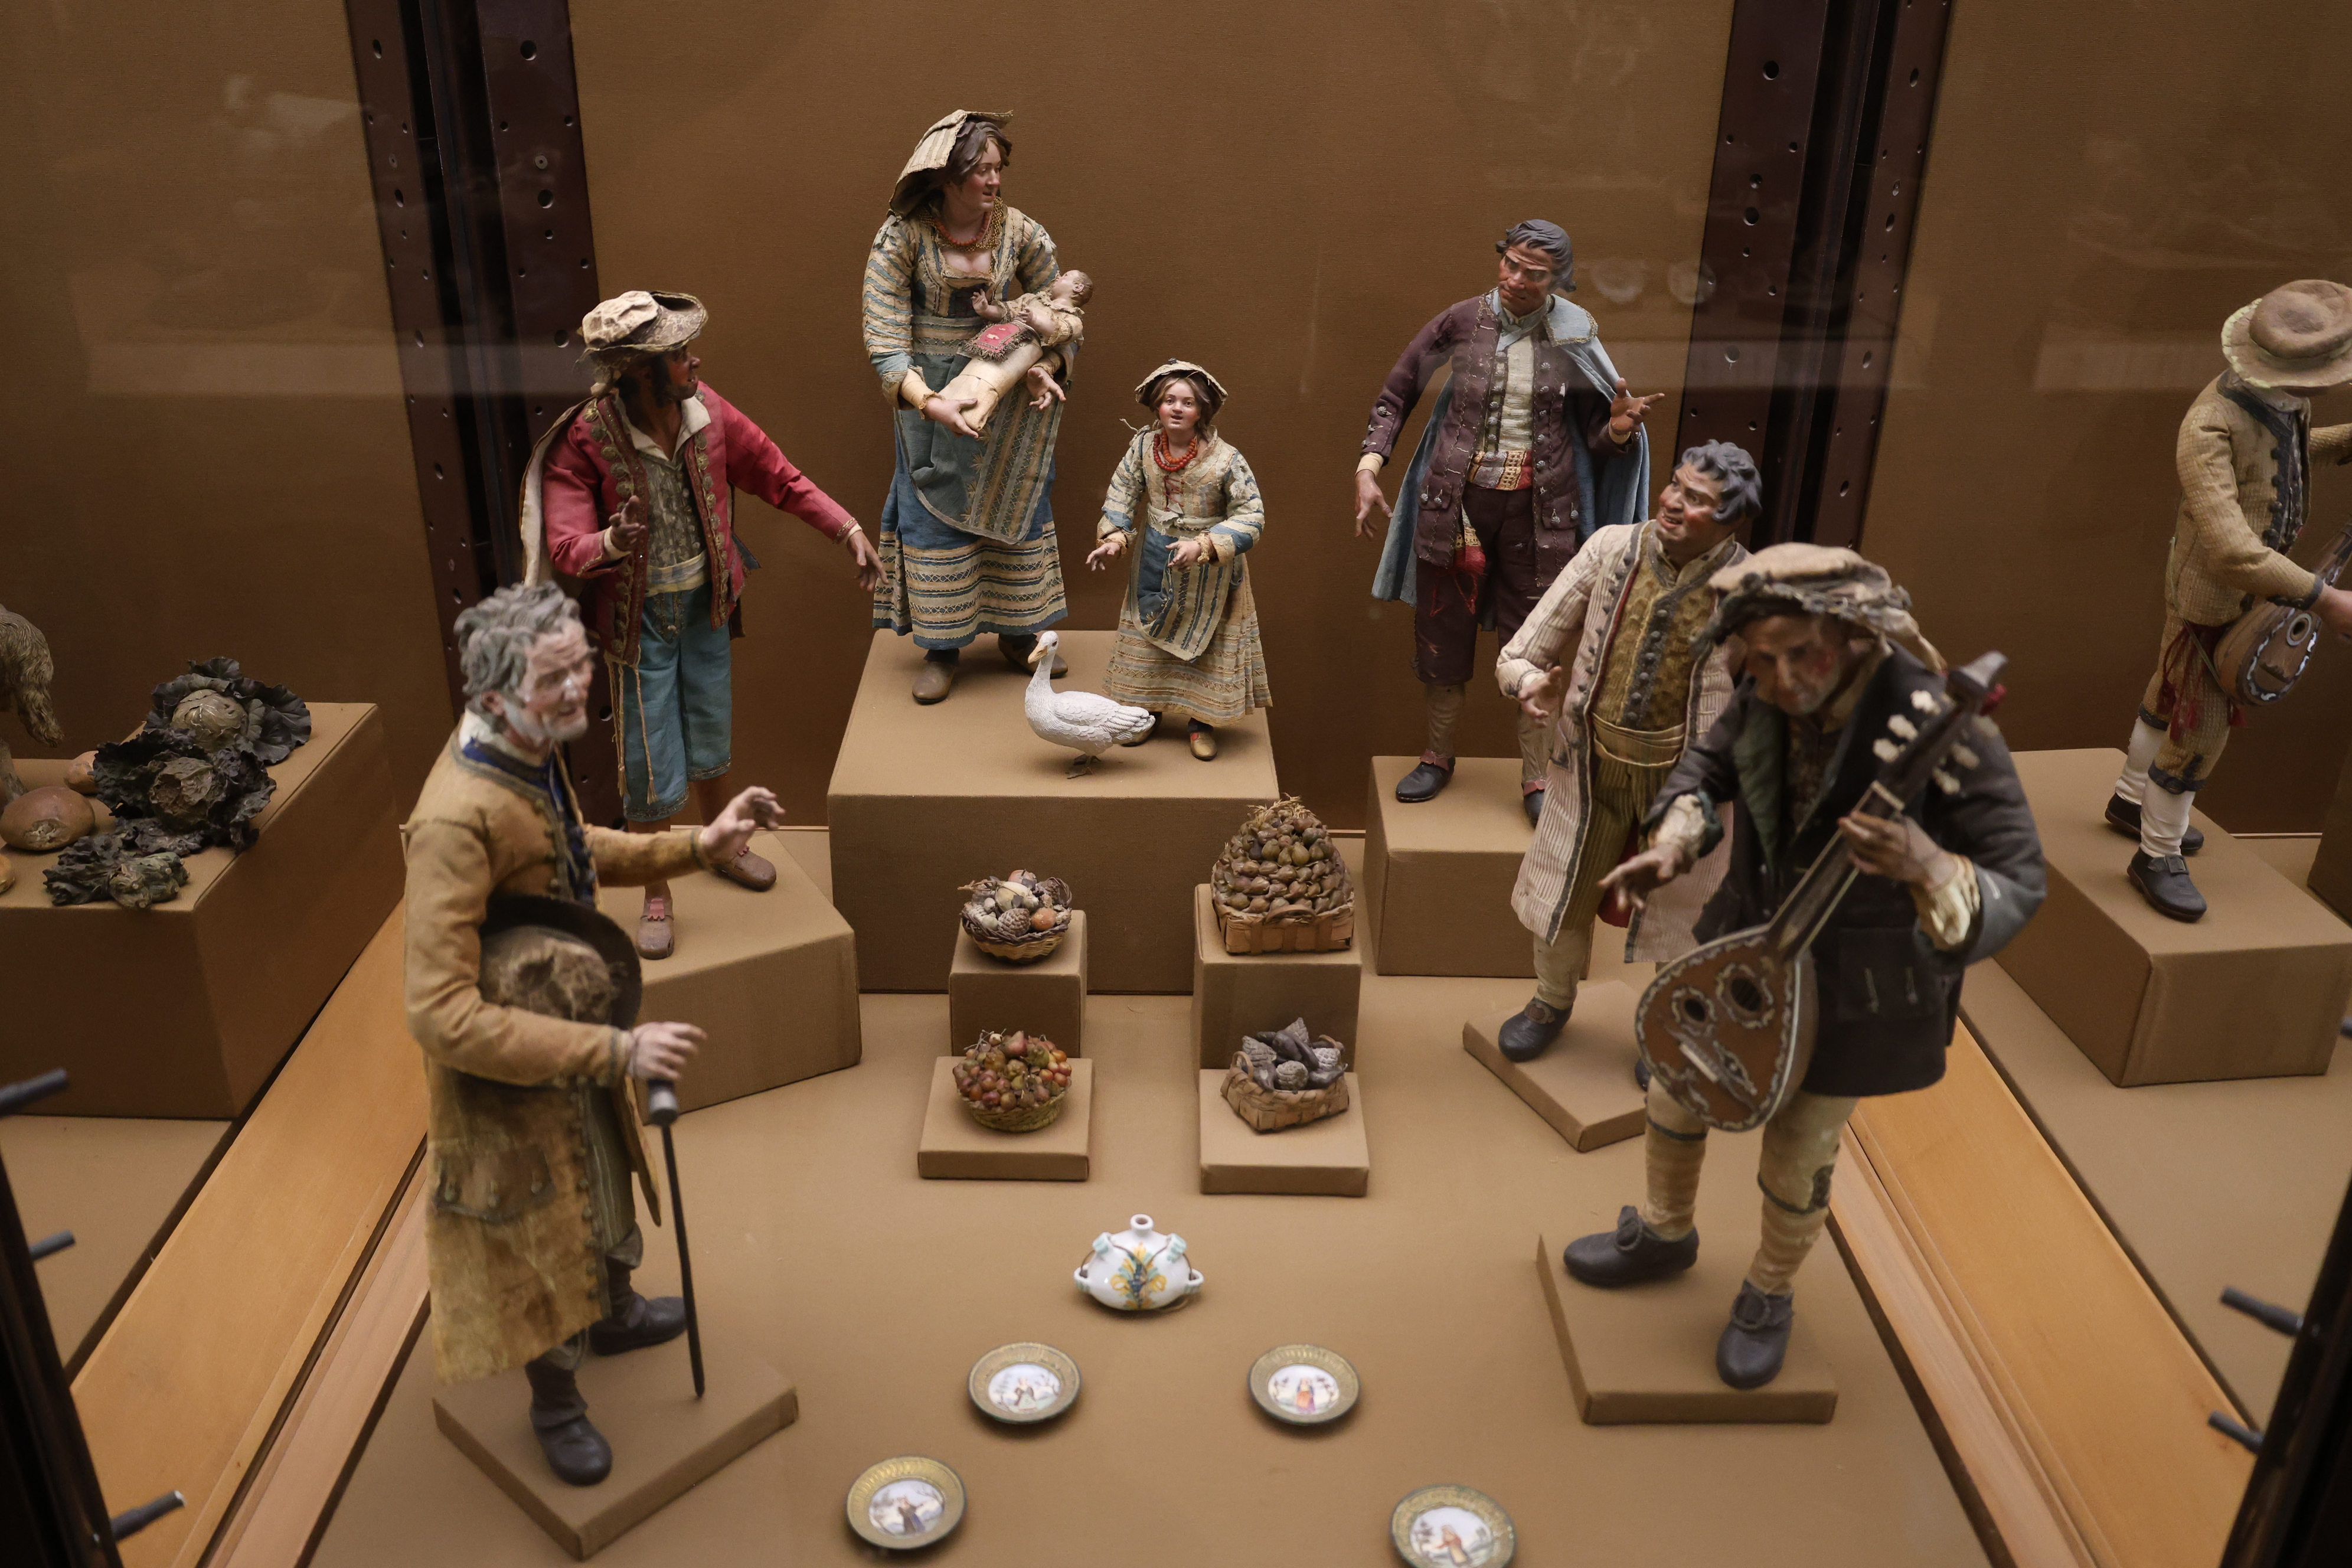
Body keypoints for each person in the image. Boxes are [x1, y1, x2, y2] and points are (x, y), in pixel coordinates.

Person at [1564, 546, 2044, 1390]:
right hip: (1746, 940)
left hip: (1859, 984)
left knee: (1798, 1148)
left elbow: (2022, 877)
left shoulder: (1945, 723)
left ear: (1852, 635)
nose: (1782, 679)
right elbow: (1707, 764)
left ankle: (1769, 1292)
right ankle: (1666, 1232)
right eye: (1762, 658)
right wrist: (1673, 843)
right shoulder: (1765, 690)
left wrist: (1930, 864)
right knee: (1675, 1085)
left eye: (1802, 655)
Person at [402, 582, 788, 1484]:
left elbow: (574, 845)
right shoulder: (455, 820)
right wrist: (616, 1050)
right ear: (494, 696)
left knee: (603, 1184)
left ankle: (615, 1311)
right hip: (509, 1075)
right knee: (538, 1233)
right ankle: (557, 1403)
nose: (580, 687)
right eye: (556, 677)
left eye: (581, 665)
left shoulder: (526, 748)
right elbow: (438, 1013)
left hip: (565, 1029)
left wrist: (696, 847)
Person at [523, 288, 880, 960]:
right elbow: (567, 547)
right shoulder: (587, 438)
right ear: (640, 372)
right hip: (638, 623)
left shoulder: (707, 411)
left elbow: (777, 474)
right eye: (680, 354)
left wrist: (847, 529)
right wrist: (614, 541)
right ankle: (655, 888)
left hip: (706, 607)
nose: (695, 362)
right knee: (648, 758)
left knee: (712, 729)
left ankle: (722, 844)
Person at [1356, 218, 1659, 822]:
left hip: (1541, 515)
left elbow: (1597, 436)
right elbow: (1397, 393)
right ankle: (1438, 754)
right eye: (1511, 264)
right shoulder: (1460, 321)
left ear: (1558, 280)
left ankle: (1536, 775)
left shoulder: (1574, 334)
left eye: (1535, 273)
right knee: (1442, 634)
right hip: (1455, 508)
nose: (1517, 279)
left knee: (1538, 640)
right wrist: (1369, 466)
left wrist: (1620, 429)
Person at [1489, 442, 1757, 1064]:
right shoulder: (1609, 549)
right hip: (1590, 768)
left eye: (1696, 498)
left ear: (1729, 519)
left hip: (1689, 785)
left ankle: (1675, 1025)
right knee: (1563, 895)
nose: (1673, 502)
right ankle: (1551, 999)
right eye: (1675, 485)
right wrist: (1530, 684)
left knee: (1686, 916)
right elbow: (1520, 652)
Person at [2105, 279, 2352, 921]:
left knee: (2166, 693)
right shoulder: (2209, 425)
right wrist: (2325, 599)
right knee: (2200, 729)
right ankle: (2156, 853)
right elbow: (2233, 552)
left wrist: (2345, 439)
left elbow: (2288, 453)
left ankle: (2131, 798)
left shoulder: (2282, 402)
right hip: (2214, 603)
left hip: (2235, 595)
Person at [864, 109, 1077, 703]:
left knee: (1017, 500)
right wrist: (927, 403)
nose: (994, 181)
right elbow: (884, 334)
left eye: (998, 168)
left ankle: (1019, 631)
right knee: (933, 509)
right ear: (945, 174)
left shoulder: (1021, 232)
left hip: (1003, 387)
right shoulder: (903, 237)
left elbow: (1062, 309)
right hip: (933, 398)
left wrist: (1045, 364)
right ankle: (943, 644)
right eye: (981, 170)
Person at [1085, 360, 1269, 759]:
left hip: (1211, 573)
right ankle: (1146, 712)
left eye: (1188, 402)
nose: (1177, 408)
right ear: (1157, 404)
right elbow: (1122, 491)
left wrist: (1204, 546)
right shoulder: (1142, 448)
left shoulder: (1226, 459)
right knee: (1148, 633)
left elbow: (1252, 515)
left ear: (1202, 410)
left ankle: (1201, 722)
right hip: (1154, 558)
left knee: (1207, 645)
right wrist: (1115, 538)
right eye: (1170, 400)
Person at [942, 268, 1093, 434]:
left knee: (993, 379)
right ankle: (945, 403)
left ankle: (971, 416)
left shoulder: (1073, 319)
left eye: (1065, 276)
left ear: (1078, 287)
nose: (1058, 277)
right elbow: (1007, 312)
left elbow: (1058, 331)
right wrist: (986, 309)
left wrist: (1034, 320)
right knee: (972, 371)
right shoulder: (1033, 299)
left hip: (1025, 347)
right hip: (997, 340)